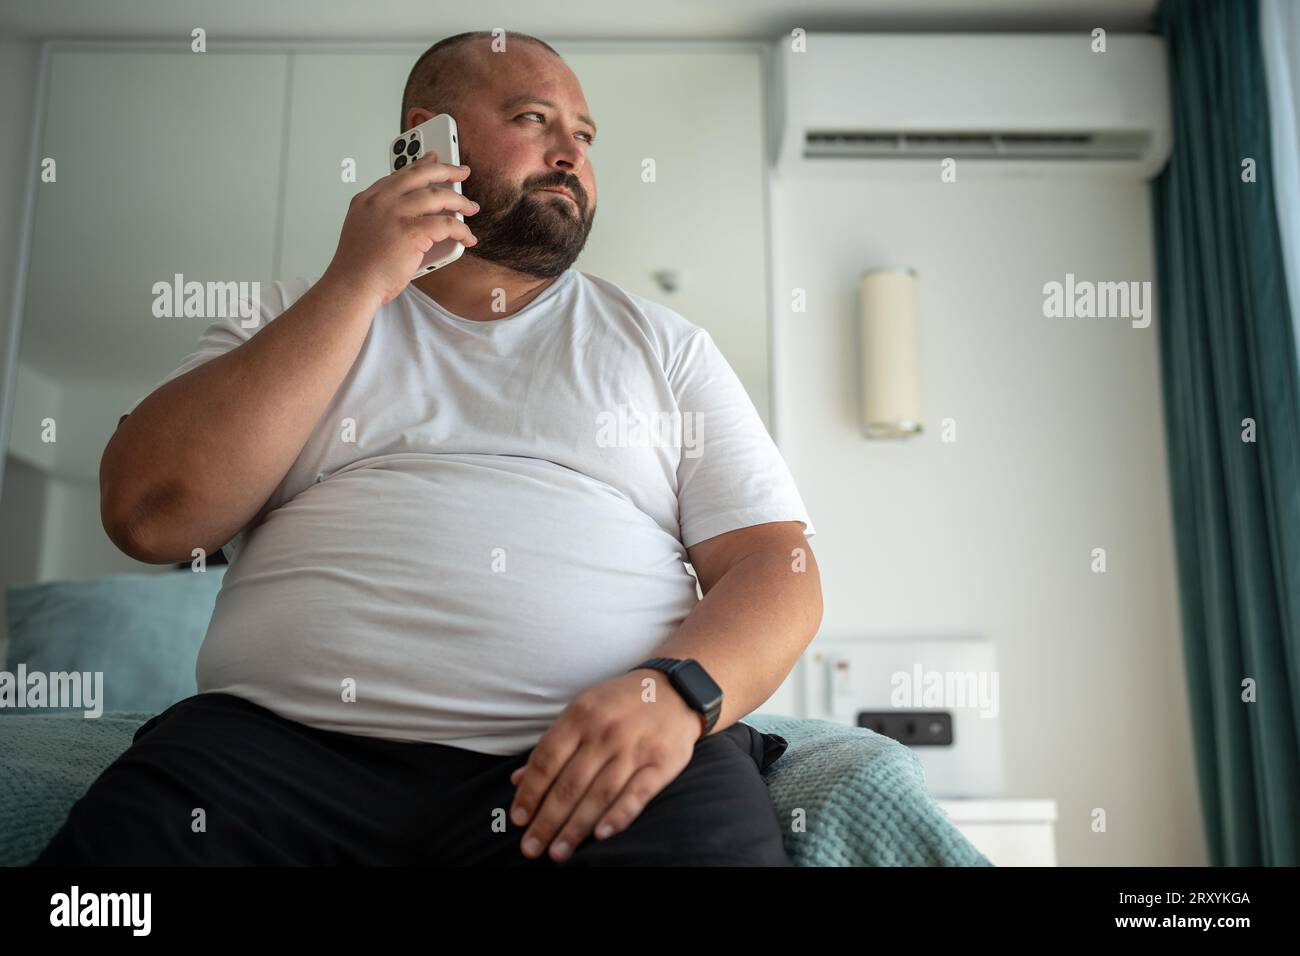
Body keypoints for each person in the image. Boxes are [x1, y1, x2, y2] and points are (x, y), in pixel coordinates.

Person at [36, 30, 820, 867]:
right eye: (534, 118)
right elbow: (150, 517)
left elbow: (779, 567)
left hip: (590, 764)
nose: (570, 154)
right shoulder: (290, 314)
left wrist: (677, 693)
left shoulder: (667, 347)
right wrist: (360, 282)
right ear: (428, 135)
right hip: (271, 759)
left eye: (584, 137)